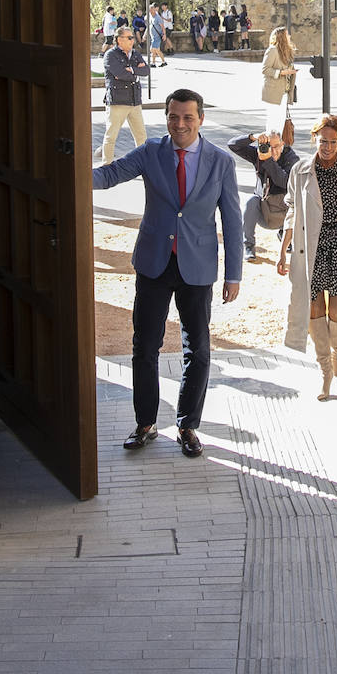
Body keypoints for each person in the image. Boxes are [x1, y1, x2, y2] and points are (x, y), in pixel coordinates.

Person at [92, 88, 243, 459]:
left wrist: (233, 274)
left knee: (199, 349)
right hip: (154, 263)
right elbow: (109, 175)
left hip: (198, 266)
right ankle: (145, 424)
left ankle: (188, 425)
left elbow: (233, 222)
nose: (180, 124)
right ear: (167, 118)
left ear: (201, 119)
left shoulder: (220, 162)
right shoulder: (151, 152)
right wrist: (64, 168)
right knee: (144, 346)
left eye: (188, 117)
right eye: (174, 117)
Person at [277, 114, 337, 400]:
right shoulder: (301, 170)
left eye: (333, 141)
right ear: (313, 138)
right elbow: (291, 208)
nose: (327, 146)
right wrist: (283, 251)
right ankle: (325, 370)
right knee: (314, 309)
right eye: (322, 140)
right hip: (311, 246)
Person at [228, 130, 299, 261]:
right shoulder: (260, 152)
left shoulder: (291, 158)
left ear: (283, 144)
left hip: (285, 211)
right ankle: (248, 246)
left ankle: (287, 235)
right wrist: (253, 137)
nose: (272, 151)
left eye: (276, 146)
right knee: (251, 202)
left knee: (300, 201)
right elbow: (233, 145)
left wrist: (268, 161)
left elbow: (284, 182)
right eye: (269, 146)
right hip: (264, 210)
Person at [97, 26, 149, 163]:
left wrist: (132, 70)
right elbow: (119, 74)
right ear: (119, 40)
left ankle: (144, 165)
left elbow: (147, 71)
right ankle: (106, 165)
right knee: (111, 136)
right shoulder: (110, 55)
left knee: (141, 136)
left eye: (132, 37)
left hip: (134, 101)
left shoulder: (135, 54)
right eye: (129, 38)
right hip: (117, 101)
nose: (132, 40)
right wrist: (136, 73)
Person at [261, 25, 297, 134]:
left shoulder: (286, 52)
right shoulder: (272, 50)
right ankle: (269, 146)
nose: (289, 36)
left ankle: (278, 146)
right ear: (281, 37)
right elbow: (265, 69)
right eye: (287, 34)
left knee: (280, 122)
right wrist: (281, 73)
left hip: (284, 92)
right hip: (273, 91)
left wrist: (291, 70)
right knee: (273, 122)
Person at [148, 3, 166, 67]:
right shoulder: (150, 17)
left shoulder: (158, 18)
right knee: (156, 50)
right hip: (153, 36)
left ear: (154, 10)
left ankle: (154, 63)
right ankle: (160, 62)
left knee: (152, 49)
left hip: (157, 36)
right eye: (149, 10)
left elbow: (162, 27)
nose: (150, 11)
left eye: (151, 9)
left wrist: (164, 35)